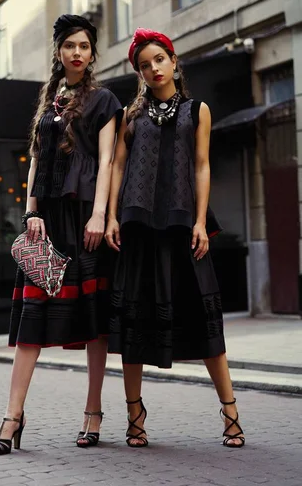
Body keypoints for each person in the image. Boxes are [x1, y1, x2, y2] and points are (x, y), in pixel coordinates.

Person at [0, 14, 123, 455]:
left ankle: (93, 412)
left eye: (84, 46)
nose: (77, 53)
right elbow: (35, 159)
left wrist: (99, 215)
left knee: (94, 323)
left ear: (92, 52)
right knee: (32, 323)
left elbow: (106, 162)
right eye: (70, 46)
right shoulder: (49, 100)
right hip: (45, 223)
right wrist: (30, 212)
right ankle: (12, 417)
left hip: (84, 218)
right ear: (59, 51)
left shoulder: (104, 100)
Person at [105, 28, 245, 449]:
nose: (153, 69)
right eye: (144, 65)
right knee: (134, 321)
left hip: (184, 225)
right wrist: (111, 216)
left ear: (173, 60)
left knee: (205, 320)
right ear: (141, 73)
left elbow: (201, 166)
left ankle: (231, 411)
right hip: (137, 226)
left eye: (158, 60)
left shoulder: (197, 110)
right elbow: (116, 167)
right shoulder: (131, 116)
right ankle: (135, 416)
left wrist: (201, 221)